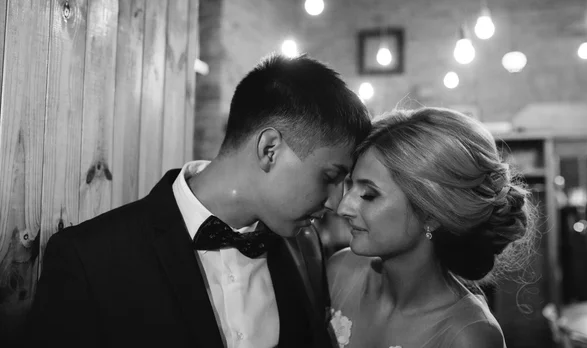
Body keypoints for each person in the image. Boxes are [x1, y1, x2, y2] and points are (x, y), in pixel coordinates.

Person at [27, 54, 371, 348]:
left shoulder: (306, 247)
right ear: (270, 149)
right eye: (329, 177)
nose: (336, 203)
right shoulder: (88, 258)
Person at [327, 107, 536, 348]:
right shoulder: (340, 272)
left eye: (369, 194)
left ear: (431, 214)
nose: (343, 207)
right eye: (350, 185)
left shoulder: (469, 334)